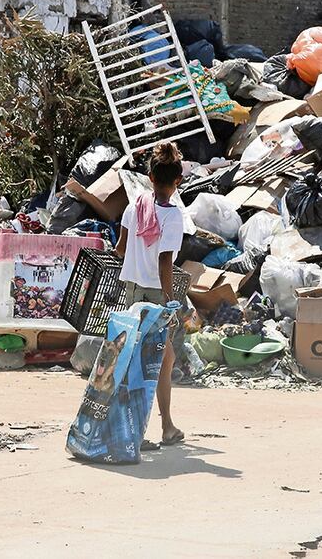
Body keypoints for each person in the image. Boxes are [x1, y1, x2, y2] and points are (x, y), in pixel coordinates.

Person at [115, 142, 185, 447]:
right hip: (156, 294)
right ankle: (146, 428)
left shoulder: (135, 206)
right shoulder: (173, 216)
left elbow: (120, 247)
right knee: (157, 362)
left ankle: (163, 426)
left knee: (150, 359)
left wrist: (130, 256)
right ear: (177, 182)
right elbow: (165, 261)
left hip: (132, 290)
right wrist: (170, 300)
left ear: (151, 177)